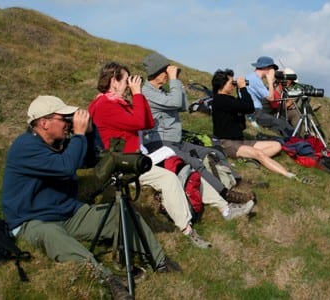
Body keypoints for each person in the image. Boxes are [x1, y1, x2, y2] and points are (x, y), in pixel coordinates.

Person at [0, 95, 178, 300]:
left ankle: (159, 260)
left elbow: (93, 159)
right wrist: (78, 134)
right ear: (44, 123)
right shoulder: (25, 146)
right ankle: (107, 278)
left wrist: (90, 132)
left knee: (116, 215)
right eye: (63, 118)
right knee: (54, 237)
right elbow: (66, 168)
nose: (68, 123)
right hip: (31, 220)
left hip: (67, 212)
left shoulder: (60, 142)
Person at [88, 62, 253, 246]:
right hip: (124, 163)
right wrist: (138, 94)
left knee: (187, 167)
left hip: (138, 157)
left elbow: (148, 122)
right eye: (127, 80)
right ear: (114, 81)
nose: (130, 84)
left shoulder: (119, 103)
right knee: (168, 179)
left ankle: (225, 209)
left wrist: (136, 98)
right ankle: (187, 228)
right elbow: (140, 124)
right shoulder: (103, 105)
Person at [141, 52, 255, 204]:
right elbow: (175, 103)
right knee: (196, 163)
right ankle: (226, 194)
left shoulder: (161, 91)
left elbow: (183, 106)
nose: (168, 75)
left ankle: (236, 180)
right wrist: (174, 80)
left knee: (214, 152)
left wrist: (177, 84)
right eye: (165, 72)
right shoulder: (147, 93)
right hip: (161, 142)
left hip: (175, 140)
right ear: (156, 72)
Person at [211, 68, 298, 178]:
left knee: (277, 146)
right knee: (259, 153)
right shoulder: (220, 100)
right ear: (222, 84)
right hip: (227, 143)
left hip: (240, 141)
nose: (233, 84)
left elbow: (245, 107)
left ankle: (249, 157)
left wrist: (240, 89)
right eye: (231, 82)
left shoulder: (229, 99)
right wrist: (242, 88)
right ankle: (287, 174)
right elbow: (249, 108)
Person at [246, 56, 294, 137]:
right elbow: (271, 98)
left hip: (255, 111)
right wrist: (270, 81)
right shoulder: (254, 79)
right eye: (272, 69)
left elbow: (268, 93)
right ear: (266, 68)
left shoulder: (253, 77)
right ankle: (295, 143)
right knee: (281, 123)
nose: (273, 71)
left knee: (281, 121)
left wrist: (275, 80)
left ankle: (292, 141)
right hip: (254, 113)